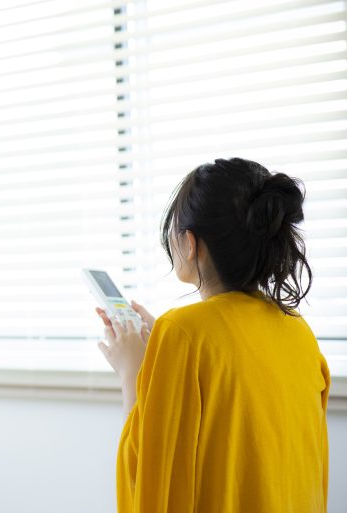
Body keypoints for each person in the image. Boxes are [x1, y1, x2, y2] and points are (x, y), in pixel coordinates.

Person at [96, 158, 330, 513]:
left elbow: (148, 479)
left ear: (191, 244)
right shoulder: (298, 330)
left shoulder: (183, 332)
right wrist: (162, 350)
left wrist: (135, 372)